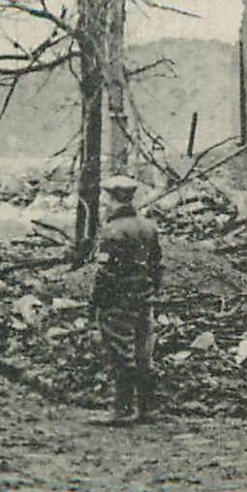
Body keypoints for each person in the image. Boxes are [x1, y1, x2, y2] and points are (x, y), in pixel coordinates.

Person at [90, 175, 163, 425]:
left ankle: (122, 409)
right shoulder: (149, 227)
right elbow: (156, 266)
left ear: (111, 199)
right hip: (144, 298)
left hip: (119, 300)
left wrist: (98, 301)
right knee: (144, 353)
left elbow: (105, 272)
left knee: (119, 353)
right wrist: (151, 290)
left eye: (106, 198)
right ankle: (147, 407)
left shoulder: (112, 231)